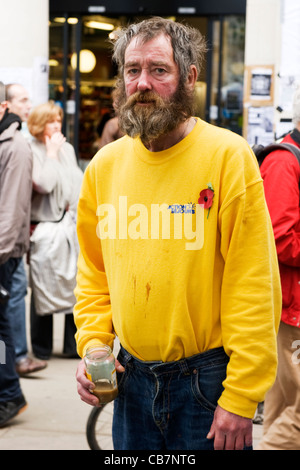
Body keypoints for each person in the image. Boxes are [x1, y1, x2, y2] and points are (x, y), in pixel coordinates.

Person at [74, 17, 281, 450]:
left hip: (206, 384)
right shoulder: (104, 167)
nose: (142, 83)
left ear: (188, 76)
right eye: (133, 70)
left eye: (158, 69)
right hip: (129, 382)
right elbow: (94, 275)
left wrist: (242, 396)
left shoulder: (228, 157)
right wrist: (94, 346)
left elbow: (254, 284)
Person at [257, 87, 300, 450]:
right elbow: (281, 238)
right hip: (291, 310)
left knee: (283, 407)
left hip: (293, 306)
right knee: (292, 415)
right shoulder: (286, 161)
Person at [27, 101, 83, 360]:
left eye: (58, 120)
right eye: (51, 121)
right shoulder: (32, 148)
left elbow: (77, 183)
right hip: (45, 228)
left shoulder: (68, 149)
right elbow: (43, 184)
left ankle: (72, 347)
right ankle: (42, 348)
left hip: (68, 225)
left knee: (71, 283)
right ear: (39, 124)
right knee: (44, 284)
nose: (57, 125)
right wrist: (50, 154)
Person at [5, 83, 47, 376]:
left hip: (8, 246)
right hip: (9, 243)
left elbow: (12, 206)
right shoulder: (10, 140)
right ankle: (12, 367)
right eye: (22, 99)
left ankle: (12, 369)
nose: (27, 103)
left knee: (9, 311)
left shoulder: (15, 144)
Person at [0, 81, 32, 426]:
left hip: (3, 255)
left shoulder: (15, 146)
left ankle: (9, 394)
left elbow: (11, 212)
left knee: (1, 328)